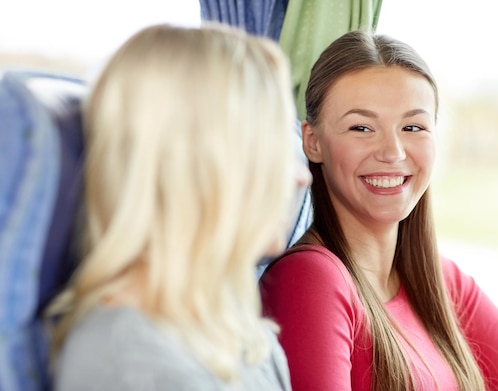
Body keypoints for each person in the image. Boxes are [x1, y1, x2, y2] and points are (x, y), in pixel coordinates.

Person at [259, 30, 498, 391]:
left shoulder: (439, 280)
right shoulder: (311, 278)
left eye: (413, 127)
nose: (393, 152)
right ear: (313, 142)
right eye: (361, 127)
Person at [47, 22, 308, 390]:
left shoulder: (241, 331)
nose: (301, 177)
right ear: (199, 167)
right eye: (273, 152)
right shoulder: (125, 359)